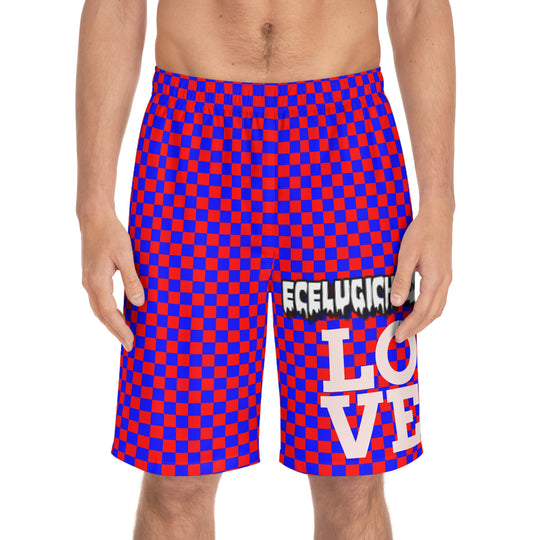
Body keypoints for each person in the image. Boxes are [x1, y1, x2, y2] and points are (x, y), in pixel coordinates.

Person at [76, 0, 455, 538]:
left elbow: (417, 7)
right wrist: (93, 204)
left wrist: (439, 202)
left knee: (353, 478)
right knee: (177, 476)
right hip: (193, 152)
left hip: (345, 150)